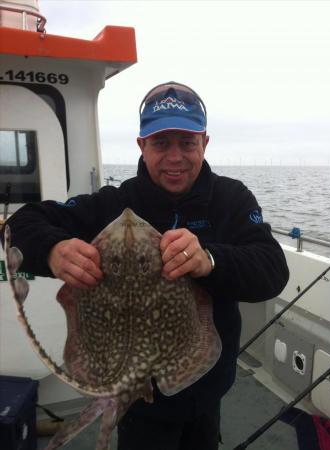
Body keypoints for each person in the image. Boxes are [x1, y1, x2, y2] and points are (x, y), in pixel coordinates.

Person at [3, 81, 289, 450]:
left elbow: (272, 269)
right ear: (141, 145)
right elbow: (20, 224)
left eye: (186, 143)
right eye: (160, 143)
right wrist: (54, 250)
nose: (175, 157)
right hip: (136, 399)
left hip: (207, 387)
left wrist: (210, 259)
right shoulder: (113, 204)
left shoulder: (231, 199)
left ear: (204, 142)